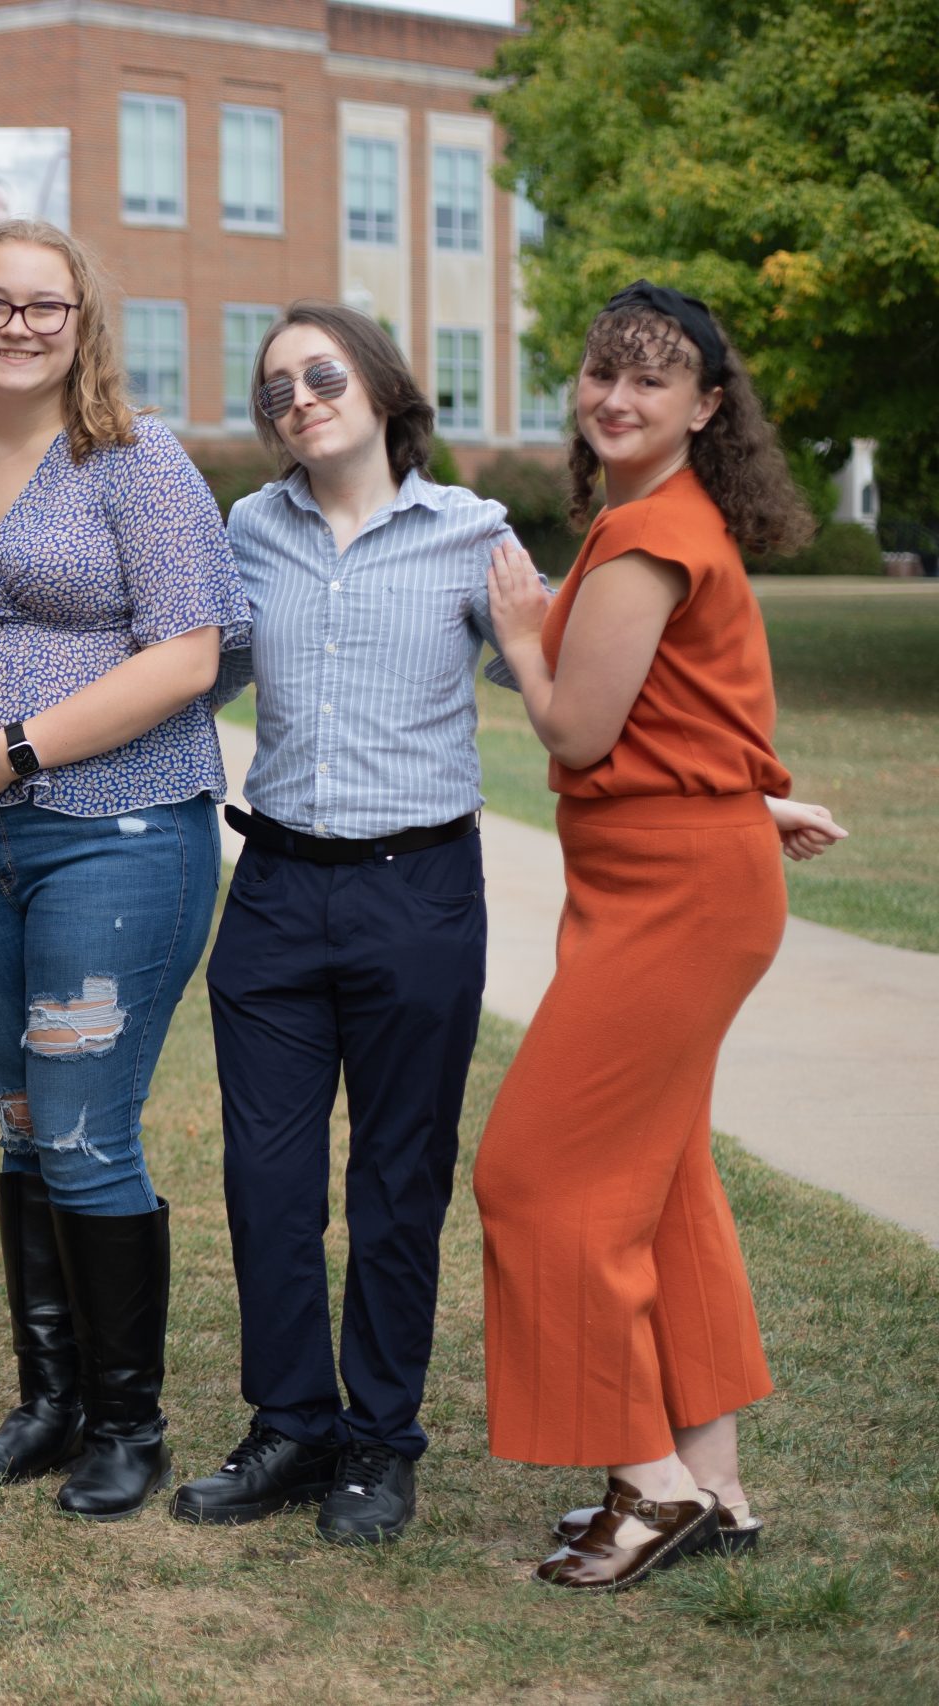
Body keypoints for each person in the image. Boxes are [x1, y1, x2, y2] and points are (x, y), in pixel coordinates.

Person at [477, 282, 844, 1593]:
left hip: (676, 894)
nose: (618, 397)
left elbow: (577, 730)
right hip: (671, 872)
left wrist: (520, 639)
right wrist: (750, 793)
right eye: (602, 372)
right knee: (663, 1177)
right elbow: (687, 704)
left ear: (706, 404)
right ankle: (721, 1483)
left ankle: (651, 1476)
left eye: (654, 378)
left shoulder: (646, 538)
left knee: (532, 1174)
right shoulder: (649, 519)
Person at [0, 220, 245, 1520]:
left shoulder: (134, 459)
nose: (22, 323)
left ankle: (125, 1421)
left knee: (87, 1122)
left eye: (49, 304)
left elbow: (187, 654)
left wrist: (20, 748)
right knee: (23, 1114)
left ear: (83, 316)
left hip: (117, 828)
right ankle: (47, 1402)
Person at [175, 302, 525, 1546]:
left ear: (379, 388)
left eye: (322, 373)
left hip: (417, 899)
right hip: (271, 895)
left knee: (394, 1183)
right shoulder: (242, 532)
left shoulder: (475, 534)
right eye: (274, 386)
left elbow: (565, 689)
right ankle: (290, 1425)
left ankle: (379, 1441)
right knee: (266, 1183)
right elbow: (190, 676)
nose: (299, 397)